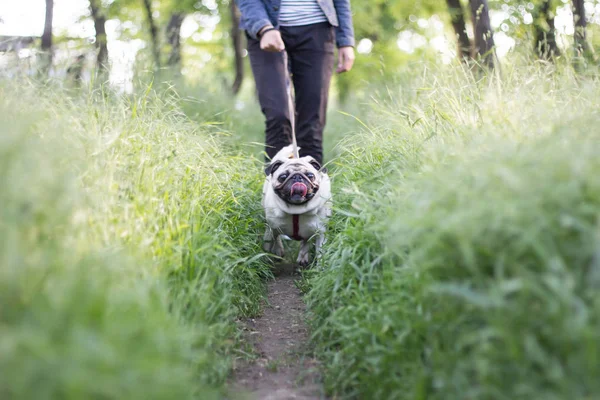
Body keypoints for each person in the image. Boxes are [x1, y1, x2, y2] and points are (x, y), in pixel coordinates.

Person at [236, 0, 355, 165]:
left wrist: (346, 41)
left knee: (312, 121)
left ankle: (311, 187)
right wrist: (263, 27)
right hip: (267, 28)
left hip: (318, 31)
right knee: (278, 115)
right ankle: (277, 186)